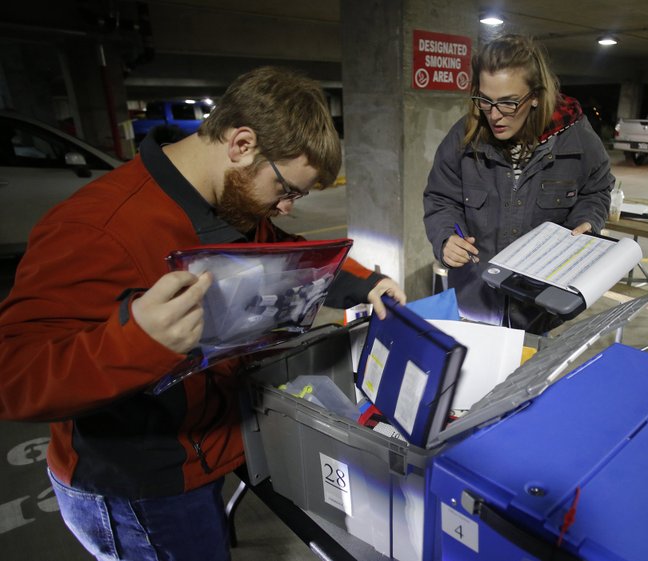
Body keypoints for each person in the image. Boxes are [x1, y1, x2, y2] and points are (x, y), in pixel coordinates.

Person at [0, 66, 405, 561]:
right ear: (241, 144)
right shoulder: (97, 228)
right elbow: (13, 375)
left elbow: (283, 256)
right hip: (143, 490)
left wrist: (366, 283)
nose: (286, 208)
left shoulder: (230, 203)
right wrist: (137, 342)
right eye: (286, 190)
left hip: (208, 449)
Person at [423, 34, 613, 333]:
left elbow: (598, 190)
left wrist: (588, 220)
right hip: (475, 304)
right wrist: (445, 237)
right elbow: (440, 198)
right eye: (485, 100)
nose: (495, 115)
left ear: (536, 95)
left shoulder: (578, 141)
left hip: (543, 313)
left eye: (509, 103)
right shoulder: (462, 140)